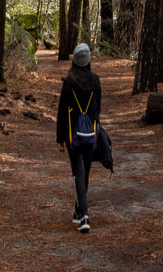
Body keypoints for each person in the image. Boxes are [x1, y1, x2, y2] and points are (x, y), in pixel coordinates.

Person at [55, 42, 101, 232]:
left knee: (78, 172)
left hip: (72, 133)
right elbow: (98, 108)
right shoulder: (95, 81)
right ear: (88, 61)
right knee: (85, 172)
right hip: (91, 131)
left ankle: (84, 215)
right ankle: (77, 212)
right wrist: (97, 129)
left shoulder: (68, 83)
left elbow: (62, 111)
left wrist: (60, 138)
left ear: (74, 60)